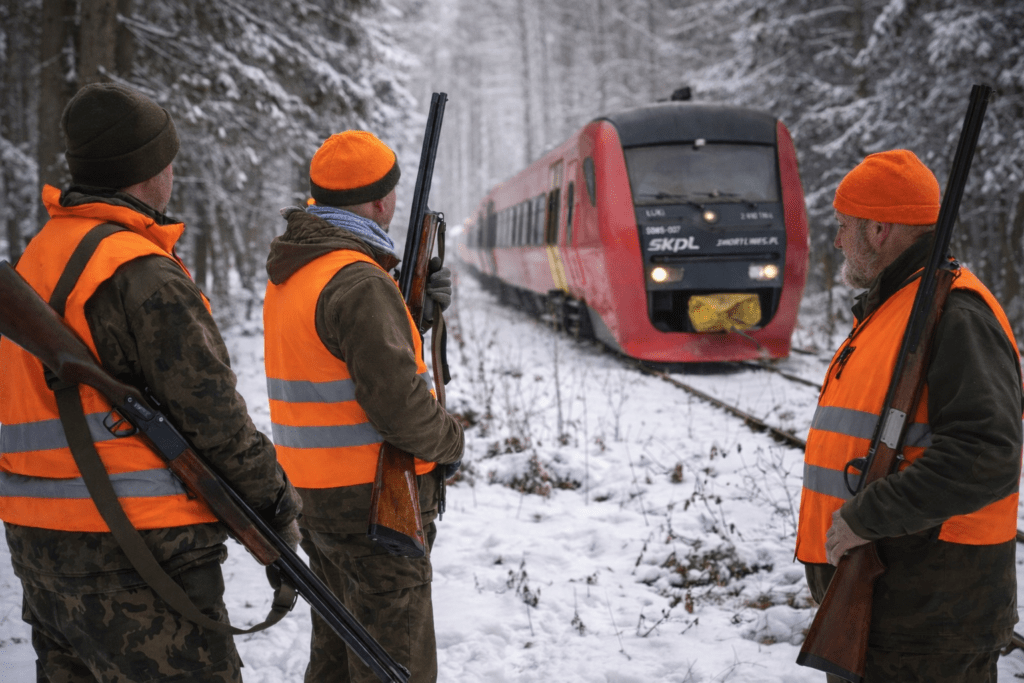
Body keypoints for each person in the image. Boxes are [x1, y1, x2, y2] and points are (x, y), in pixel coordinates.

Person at [0, 82, 300, 682]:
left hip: (39, 546)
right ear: (145, 171)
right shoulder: (140, 270)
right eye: (167, 161)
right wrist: (278, 511)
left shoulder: (38, 255)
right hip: (140, 549)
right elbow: (216, 422)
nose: (172, 174)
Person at [796, 149, 1023, 682]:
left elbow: (986, 454)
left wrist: (863, 517)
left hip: (926, 624)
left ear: (879, 230)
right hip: (886, 608)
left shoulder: (955, 313)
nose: (836, 240)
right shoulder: (901, 306)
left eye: (843, 226)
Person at [262, 130, 464, 682]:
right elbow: (398, 407)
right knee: (392, 664)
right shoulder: (357, 281)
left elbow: (334, 360)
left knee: (335, 655)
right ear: (380, 202)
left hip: (317, 497)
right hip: (376, 505)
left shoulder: (297, 270)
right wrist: (452, 440)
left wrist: (410, 316)